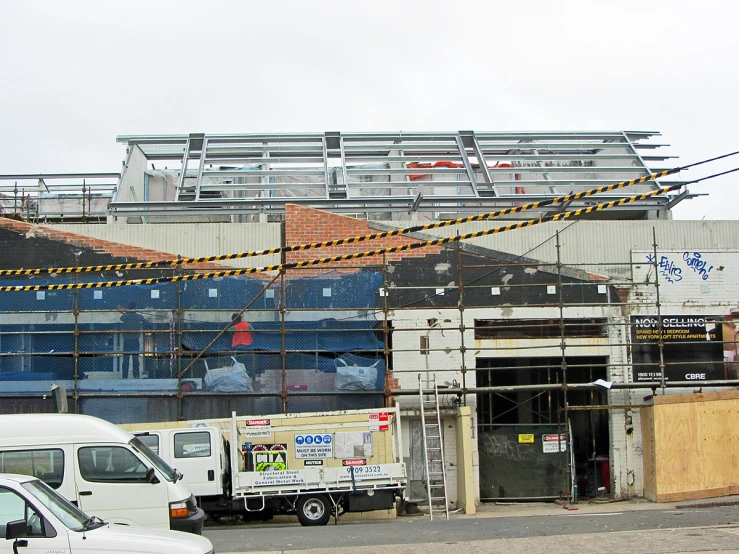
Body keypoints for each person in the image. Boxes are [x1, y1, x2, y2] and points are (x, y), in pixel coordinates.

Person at [120, 304, 147, 378]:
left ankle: (125, 376)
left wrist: (126, 312)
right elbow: (146, 322)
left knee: (125, 359)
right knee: (135, 359)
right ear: (135, 308)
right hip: (135, 340)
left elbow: (121, 318)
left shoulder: (125, 316)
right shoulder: (138, 316)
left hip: (127, 340)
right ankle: (136, 375)